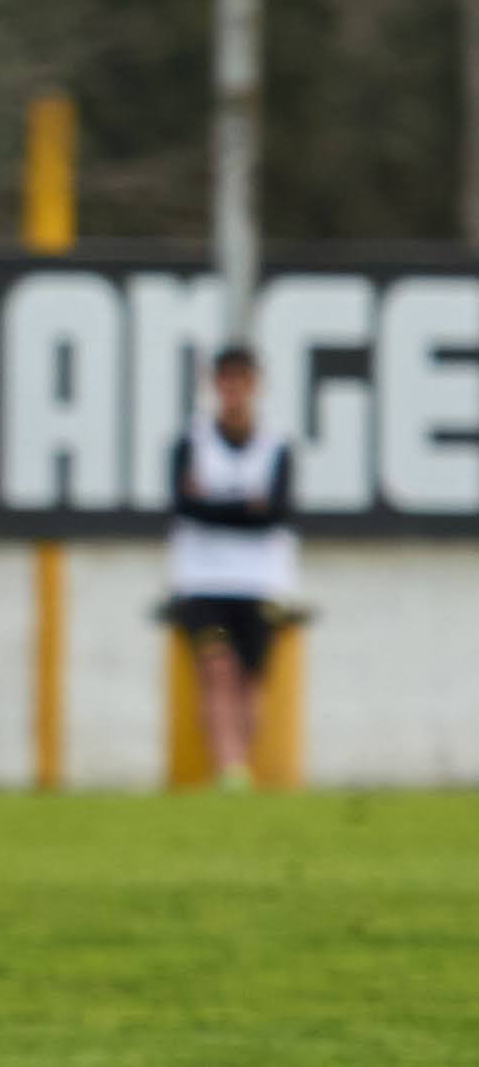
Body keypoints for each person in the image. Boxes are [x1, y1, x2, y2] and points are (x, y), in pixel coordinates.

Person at [166, 339, 298, 792]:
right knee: (217, 667)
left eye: (243, 380)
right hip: (203, 581)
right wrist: (246, 508)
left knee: (250, 679)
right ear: (215, 385)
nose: (234, 390)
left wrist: (215, 506)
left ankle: (242, 764)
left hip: (259, 582)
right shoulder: (192, 440)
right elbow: (185, 506)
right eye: (227, 380)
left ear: (255, 385)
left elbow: (275, 513)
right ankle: (230, 770)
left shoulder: (275, 443)